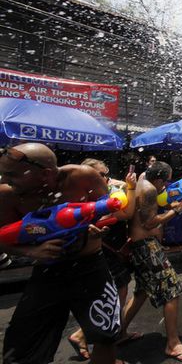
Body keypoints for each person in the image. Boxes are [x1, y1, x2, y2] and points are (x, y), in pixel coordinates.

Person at [0, 144, 126, 364]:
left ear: (46, 174)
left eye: (12, 175)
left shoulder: (82, 177)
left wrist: (97, 228)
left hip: (91, 268)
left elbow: (107, 210)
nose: (6, 179)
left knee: (106, 335)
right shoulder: (8, 195)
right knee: (21, 347)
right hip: (48, 272)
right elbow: (1, 238)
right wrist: (32, 251)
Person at [119, 161, 182, 363]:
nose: (167, 185)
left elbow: (149, 210)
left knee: (141, 292)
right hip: (146, 247)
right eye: (167, 180)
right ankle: (172, 344)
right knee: (172, 291)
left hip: (138, 247)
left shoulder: (140, 183)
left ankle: (119, 332)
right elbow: (149, 222)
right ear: (159, 179)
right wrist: (178, 210)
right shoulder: (149, 190)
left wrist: (179, 202)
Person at [68, 158, 140, 360]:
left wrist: (124, 183)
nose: (106, 178)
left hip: (111, 248)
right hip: (104, 251)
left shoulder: (102, 189)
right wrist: (132, 189)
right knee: (116, 296)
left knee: (113, 295)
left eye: (106, 173)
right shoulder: (95, 196)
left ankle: (89, 336)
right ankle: (101, 347)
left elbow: (117, 184)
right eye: (100, 175)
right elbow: (126, 214)